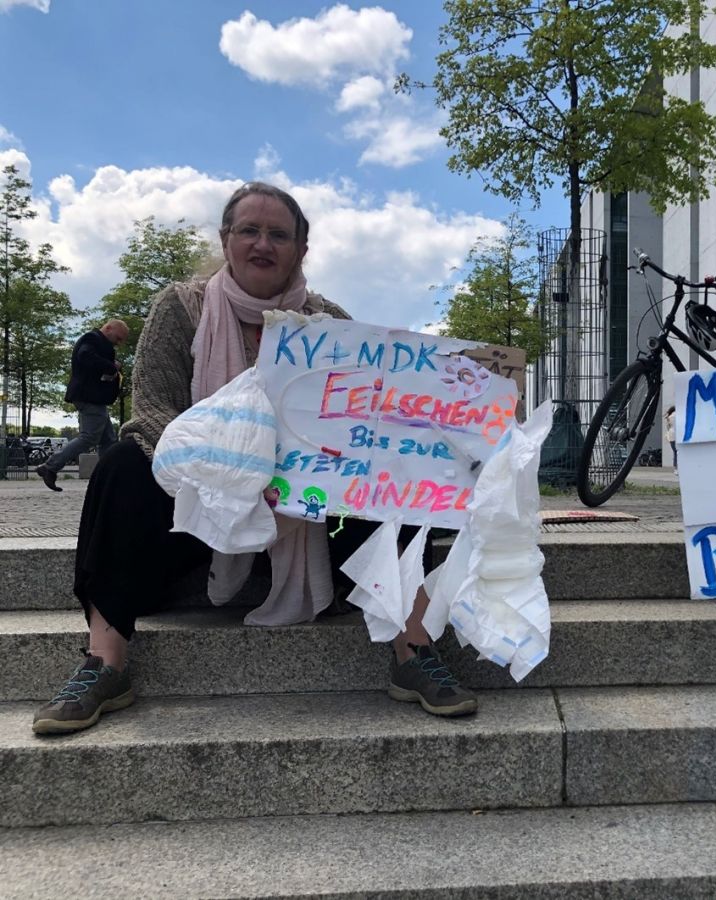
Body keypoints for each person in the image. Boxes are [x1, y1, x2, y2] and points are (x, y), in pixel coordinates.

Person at [32, 182, 477, 735]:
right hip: (199, 520)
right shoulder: (181, 307)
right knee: (122, 463)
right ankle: (105, 663)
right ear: (227, 241)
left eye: (278, 234)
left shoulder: (328, 320)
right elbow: (152, 415)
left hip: (309, 517)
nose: (262, 243)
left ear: (300, 249)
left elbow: (368, 425)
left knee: (403, 469)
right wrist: (237, 481)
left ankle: (414, 649)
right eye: (249, 230)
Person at [36, 319, 129, 491]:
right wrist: (111, 367)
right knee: (89, 437)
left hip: (92, 398)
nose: (119, 343)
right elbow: (85, 356)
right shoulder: (92, 339)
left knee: (108, 439)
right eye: (118, 338)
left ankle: (108, 478)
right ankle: (50, 466)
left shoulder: (95, 340)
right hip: (90, 397)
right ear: (108, 328)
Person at [665, 405, 677, 472]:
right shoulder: (677, 415)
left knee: (675, 452)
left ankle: (676, 468)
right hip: (677, 435)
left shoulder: (669, 417)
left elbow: (668, 428)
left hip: (671, 436)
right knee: (678, 452)